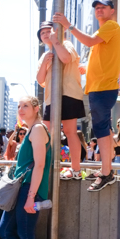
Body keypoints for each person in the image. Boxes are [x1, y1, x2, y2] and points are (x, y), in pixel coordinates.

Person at [53, 0, 120, 191]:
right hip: (100, 87)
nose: (99, 10)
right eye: (97, 8)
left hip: (102, 88)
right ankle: (107, 170)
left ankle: (106, 173)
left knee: (101, 130)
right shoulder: (105, 30)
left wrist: (69, 26)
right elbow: (101, 56)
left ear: (112, 11)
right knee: (104, 130)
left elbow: (90, 42)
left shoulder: (111, 27)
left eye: (103, 7)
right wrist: (86, 67)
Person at [0, 96, 51, 239]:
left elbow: (39, 165)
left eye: (25, 106)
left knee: (24, 233)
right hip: (23, 188)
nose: (21, 109)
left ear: (36, 108)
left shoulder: (38, 129)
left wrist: (31, 197)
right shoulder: (30, 130)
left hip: (30, 189)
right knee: (6, 230)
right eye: (19, 106)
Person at [36, 21, 85, 180]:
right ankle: (45, 165)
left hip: (68, 93)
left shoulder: (66, 44)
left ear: (57, 31)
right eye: (42, 33)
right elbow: (40, 79)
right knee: (46, 132)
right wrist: (44, 62)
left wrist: (56, 41)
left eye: (48, 31)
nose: (45, 34)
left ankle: (76, 170)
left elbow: (65, 58)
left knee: (70, 132)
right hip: (51, 98)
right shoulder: (44, 55)